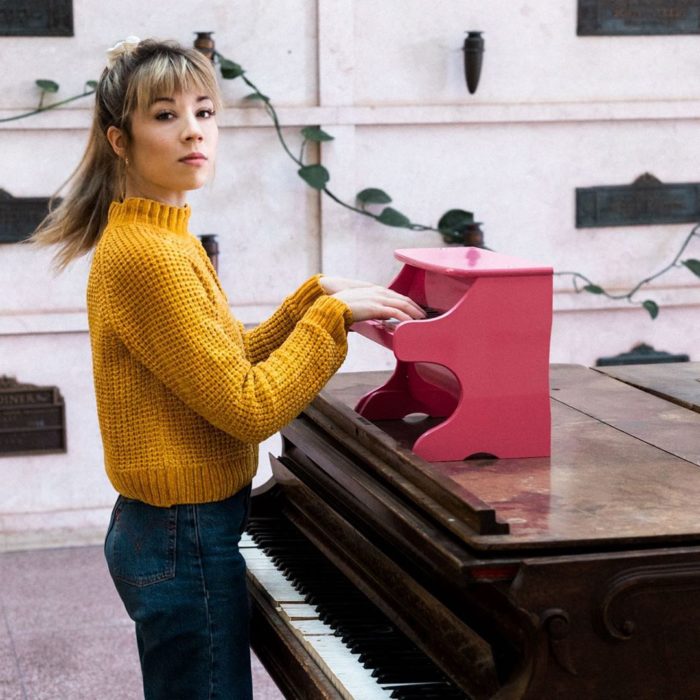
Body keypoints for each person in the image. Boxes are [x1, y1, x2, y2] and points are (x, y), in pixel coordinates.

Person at [31, 37, 424, 699]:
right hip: (182, 535)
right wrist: (326, 325)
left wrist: (312, 300)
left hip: (173, 529)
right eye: (164, 115)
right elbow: (248, 405)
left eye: (206, 112)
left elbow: (220, 358)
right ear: (119, 140)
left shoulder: (161, 234)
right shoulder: (148, 256)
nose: (193, 131)